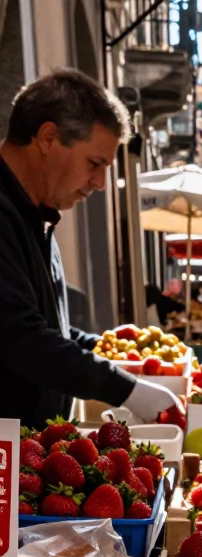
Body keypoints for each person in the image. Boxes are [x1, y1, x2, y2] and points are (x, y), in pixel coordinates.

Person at [0, 70, 177, 426]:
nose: (99, 183)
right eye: (95, 164)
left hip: (30, 454)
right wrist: (126, 388)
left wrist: (107, 351)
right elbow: (18, 335)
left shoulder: (39, 215)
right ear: (48, 138)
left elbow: (48, 324)